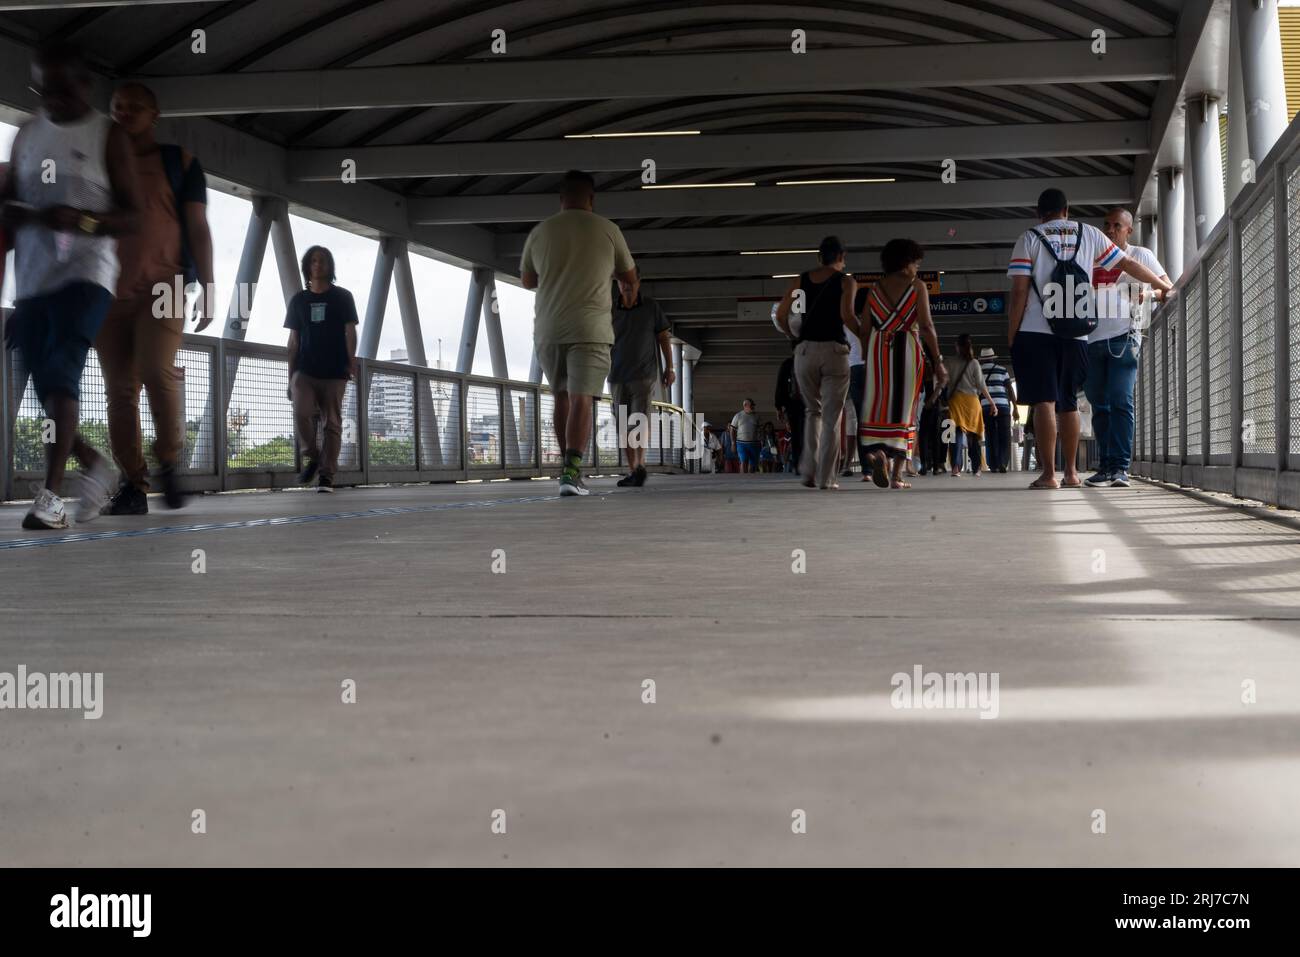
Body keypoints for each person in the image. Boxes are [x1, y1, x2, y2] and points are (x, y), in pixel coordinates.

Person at [1, 42, 140, 529]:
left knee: (61, 371)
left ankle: (51, 496)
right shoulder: (26, 135)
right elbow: (9, 207)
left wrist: (83, 222)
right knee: (48, 393)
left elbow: (132, 216)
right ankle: (95, 465)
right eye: (43, 90)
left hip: (86, 276)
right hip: (35, 284)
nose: (51, 100)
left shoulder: (108, 137)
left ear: (85, 85)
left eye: (61, 90)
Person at [98, 81, 215, 515]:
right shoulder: (101, 163)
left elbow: (198, 227)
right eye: (116, 106)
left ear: (154, 115)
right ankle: (133, 485)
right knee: (119, 391)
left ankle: (168, 456)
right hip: (107, 289)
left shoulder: (179, 163)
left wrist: (210, 285)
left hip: (166, 284)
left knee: (154, 369)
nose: (124, 114)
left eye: (134, 107)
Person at [1008, 188, 1172, 490]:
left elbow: (1019, 291)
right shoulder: (1090, 234)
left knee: (1045, 400)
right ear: (1067, 210)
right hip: (1078, 332)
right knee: (1069, 401)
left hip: (1036, 330)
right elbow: (1128, 265)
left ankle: (1049, 475)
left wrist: (1012, 333)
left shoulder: (1029, 238)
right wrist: (1162, 284)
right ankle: (1071, 473)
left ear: (1038, 213)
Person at [521, 169, 637, 496]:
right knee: (582, 396)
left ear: (560, 199)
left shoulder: (541, 232)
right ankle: (572, 473)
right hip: (591, 327)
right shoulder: (608, 230)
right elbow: (629, 276)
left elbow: (529, 280)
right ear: (592, 199)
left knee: (561, 396)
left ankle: (566, 472)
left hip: (548, 328)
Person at [1084, 207, 1168, 489]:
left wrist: (1147, 293)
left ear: (1128, 230)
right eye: (1106, 224)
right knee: (1099, 404)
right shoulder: (1092, 257)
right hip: (1092, 340)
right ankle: (1106, 467)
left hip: (1125, 337)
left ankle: (1120, 467)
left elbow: (1168, 287)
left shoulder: (1141, 255)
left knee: (1120, 399)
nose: (1109, 230)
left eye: (1116, 226)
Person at [858, 239, 947, 489]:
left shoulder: (874, 289)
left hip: (878, 349)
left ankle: (877, 454)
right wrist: (937, 360)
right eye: (916, 263)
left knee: (878, 406)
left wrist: (868, 354)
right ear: (905, 263)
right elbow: (927, 326)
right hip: (908, 348)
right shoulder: (917, 286)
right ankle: (896, 474)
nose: (917, 269)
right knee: (904, 410)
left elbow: (865, 328)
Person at [774, 236, 860, 489]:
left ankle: (808, 471)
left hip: (805, 352)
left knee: (813, 412)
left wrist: (793, 336)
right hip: (834, 351)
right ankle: (826, 478)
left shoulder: (800, 280)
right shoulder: (846, 282)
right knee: (832, 418)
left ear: (819, 257)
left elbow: (781, 314)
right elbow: (847, 316)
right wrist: (864, 337)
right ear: (842, 257)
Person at [285, 246, 358, 493]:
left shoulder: (343, 297)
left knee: (332, 423)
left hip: (335, 369)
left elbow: (350, 331)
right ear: (307, 266)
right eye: (314, 261)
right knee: (301, 410)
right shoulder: (299, 301)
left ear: (330, 266)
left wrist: (352, 360)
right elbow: (294, 340)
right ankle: (313, 455)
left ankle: (326, 476)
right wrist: (290, 376)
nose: (318, 264)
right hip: (305, 369)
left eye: (323, 260)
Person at [609, 266, 672, 487]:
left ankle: (640, 464)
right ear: (617, 283)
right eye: (621, 281)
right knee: (623, 425)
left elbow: (664, 338)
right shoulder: (609, 309)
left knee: (640, 420)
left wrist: (670, 368)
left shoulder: (651, 307)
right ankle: (634, 469)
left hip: (644, 375)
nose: (626, 284)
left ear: (639, 282)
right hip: (616, 375)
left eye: (631, 280)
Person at [944, 334, 997, 477]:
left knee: (955, 435)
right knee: (974, 436)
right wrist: (992, 403)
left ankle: (956, 467)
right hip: (972, 402)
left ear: (957, 346)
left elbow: (943, 382)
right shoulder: (974, 363)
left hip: (955, 401)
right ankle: (977, 468)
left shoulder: (949, 362)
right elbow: (981, 385)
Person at [978, 347, 1017, 473]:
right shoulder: (1002, 370)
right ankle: (1003, 463)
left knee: (990, 434)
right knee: (1004, 435)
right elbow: (1010, 389)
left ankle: (993, 464)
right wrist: (1015, 407)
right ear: (993, 358)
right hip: (1003, 406)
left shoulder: (978, 371)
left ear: (982, 360)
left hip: (986, 406)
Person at [774, 347, 804, 472]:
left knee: (796, 434)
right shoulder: (810, 361)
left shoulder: (787, 364)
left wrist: (778, 407)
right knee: (808, 433)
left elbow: (780, 385)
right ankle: (809, 463)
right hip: (808, 403)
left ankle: (798, 464)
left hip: (791, 405)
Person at [729, 398, 760, 474]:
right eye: (751, 405)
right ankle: (743, 479)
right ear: (745, 405)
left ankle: (751, 480)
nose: (753, 407)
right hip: (741, 443)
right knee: (744, 461)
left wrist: (761, 440)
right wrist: (733, 443)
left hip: (754, 443)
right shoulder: (738, 416)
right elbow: (732, 430)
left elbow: (760, 429)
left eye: (753, 405)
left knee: (752, 464)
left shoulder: (756, 416)